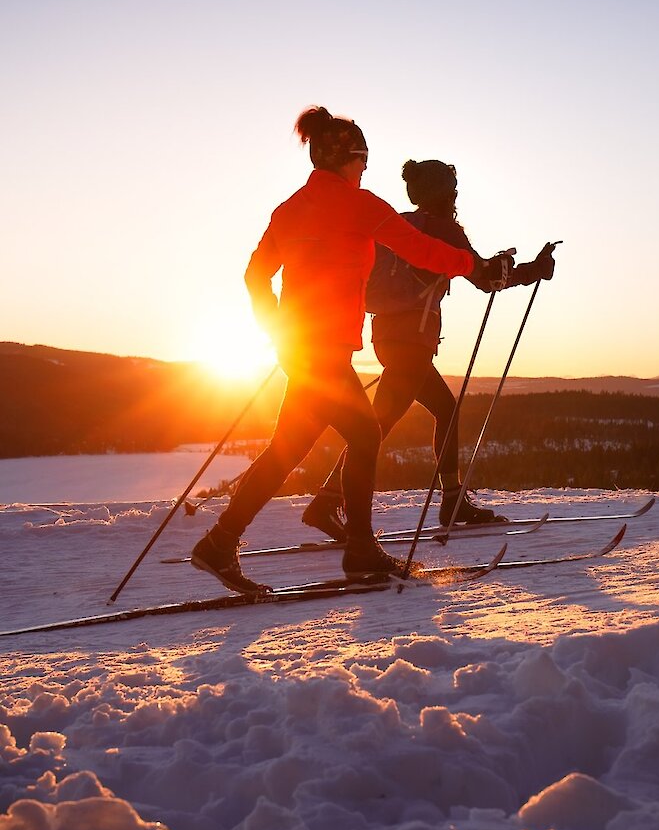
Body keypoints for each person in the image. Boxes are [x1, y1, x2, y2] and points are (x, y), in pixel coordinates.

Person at [190, 110, 514, 594]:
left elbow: (255, 275)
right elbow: (421, 249)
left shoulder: (288, 209)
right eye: (362, 161)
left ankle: (218, 544)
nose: (364, 171)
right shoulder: (357, 205)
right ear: (348, 159)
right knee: (364, 434)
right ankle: (359, 550)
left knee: (286, 451)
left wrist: (277, 327)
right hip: (321, 352)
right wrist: (476, 265)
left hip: (299, 349)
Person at [302, 158, 558, 543]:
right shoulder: (446, 230)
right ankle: (330, 501)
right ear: (446, 192)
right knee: (374, 428)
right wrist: (533, 270)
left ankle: (450, 498)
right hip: (412, 343)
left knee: (437, 410)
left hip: (386, 338)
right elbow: (486, 277)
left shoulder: (402, 223)